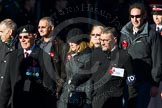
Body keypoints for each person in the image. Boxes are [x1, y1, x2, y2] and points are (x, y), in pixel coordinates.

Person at [0, 24, 59, 108]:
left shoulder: (44, 57)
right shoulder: (13, 56)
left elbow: (49, 88)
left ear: (34, 36)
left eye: (26, 37)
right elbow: (6, 86)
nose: (22, 40)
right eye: (20, 37)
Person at [119, 3, 162, 108]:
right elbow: (120, 56)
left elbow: (158, 60)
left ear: (144, 16)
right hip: (127, 82)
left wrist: (155, 84)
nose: (135, 19)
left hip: (144, 82)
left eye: (138, 16)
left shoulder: (152, 34)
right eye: (132, 16)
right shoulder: (124, 33)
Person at [91, 27, 137, 108]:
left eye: (106, 40)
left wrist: (131, 101)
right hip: (97, 101)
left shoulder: (124, 56)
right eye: (101, 40)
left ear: (115, 40)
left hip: (114, 101)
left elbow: (131, 82)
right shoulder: (97, 54)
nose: (102, 43)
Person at [58, 29, 93, 108]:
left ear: (81, 42)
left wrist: (88, 100)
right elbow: (66, 75)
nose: (71, 44)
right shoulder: (69, 55)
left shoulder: (88, 56)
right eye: (70, 41)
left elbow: (86, 76)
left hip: (82, 96)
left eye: (74, 41)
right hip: (67, 95)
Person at [37, 16, 65, 96]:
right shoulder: (36, 44)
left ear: (51, 28)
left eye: (43, 27)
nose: (40, 30)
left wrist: (59, 88)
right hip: (37, 85)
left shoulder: (60, 45)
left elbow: (64, 70)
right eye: (39, 27)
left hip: (52, 87)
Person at [0, 19, 17, 93]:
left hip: (12, 93)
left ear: (10, 32)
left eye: (1, 31)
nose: (0, 34)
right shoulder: (1, 45)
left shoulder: (20, 47)